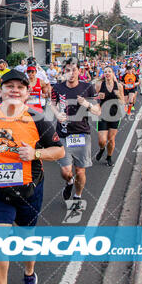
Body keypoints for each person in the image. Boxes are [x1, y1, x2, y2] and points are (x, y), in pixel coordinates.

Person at [0, 69, 64, 284]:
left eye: (20, 87)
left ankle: (29, 273)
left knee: (26, 241)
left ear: (26, 93)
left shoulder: (37, 119)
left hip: (28, 191)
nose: (14, 90)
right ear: (1, 91)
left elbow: (59, 150)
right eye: (10, 86)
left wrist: (35, 153)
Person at [50, 58, 101, 202]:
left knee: (80, 170)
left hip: (81, 134)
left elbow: (97, 111)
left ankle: (78, 195)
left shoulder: (88, 87)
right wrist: (57, 114)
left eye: (74, 70)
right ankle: (69, 182)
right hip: (63, 134)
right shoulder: (57, 88)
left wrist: (86, 104)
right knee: (66, 171)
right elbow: (52, 104)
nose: (71, 73)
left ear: (79, 71)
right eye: (68, 70)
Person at [94, 68, 125, 166]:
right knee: (102, 140)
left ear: (113, 74)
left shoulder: (119, 86)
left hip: (115, 115)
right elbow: (94, 99)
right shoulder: (99, 85)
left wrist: (118, 95)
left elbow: (123, 102)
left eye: (109, 71)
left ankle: (109, 157)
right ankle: (102, 149)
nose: (107, 73)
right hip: (102, 114)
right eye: (105, 72)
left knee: (111, 139)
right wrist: (98, 97)